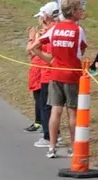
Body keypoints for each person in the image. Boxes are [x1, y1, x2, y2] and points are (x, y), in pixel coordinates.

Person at [29, 0, 86, 161]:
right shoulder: (78, 29)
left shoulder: (54, 29)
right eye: (79, 9)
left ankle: (52, 147)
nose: (81, 12)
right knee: (72, 112)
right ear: (73, 12)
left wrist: (49, 60)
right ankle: (75, 148)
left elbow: (35, 46)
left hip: (55, 75)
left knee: (55, 111)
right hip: (72, 75)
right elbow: (81, 49)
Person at [25, 2, 59, 144]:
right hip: (43, 71)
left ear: (45, 17)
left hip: (45, 72)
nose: (39, 20)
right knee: (45, 103)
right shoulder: (49, 31)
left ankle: (49, 136)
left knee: (46, 105)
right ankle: (49, 131)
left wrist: (32, 38)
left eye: (41, 17)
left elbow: (30, 50)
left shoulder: (49, 33)